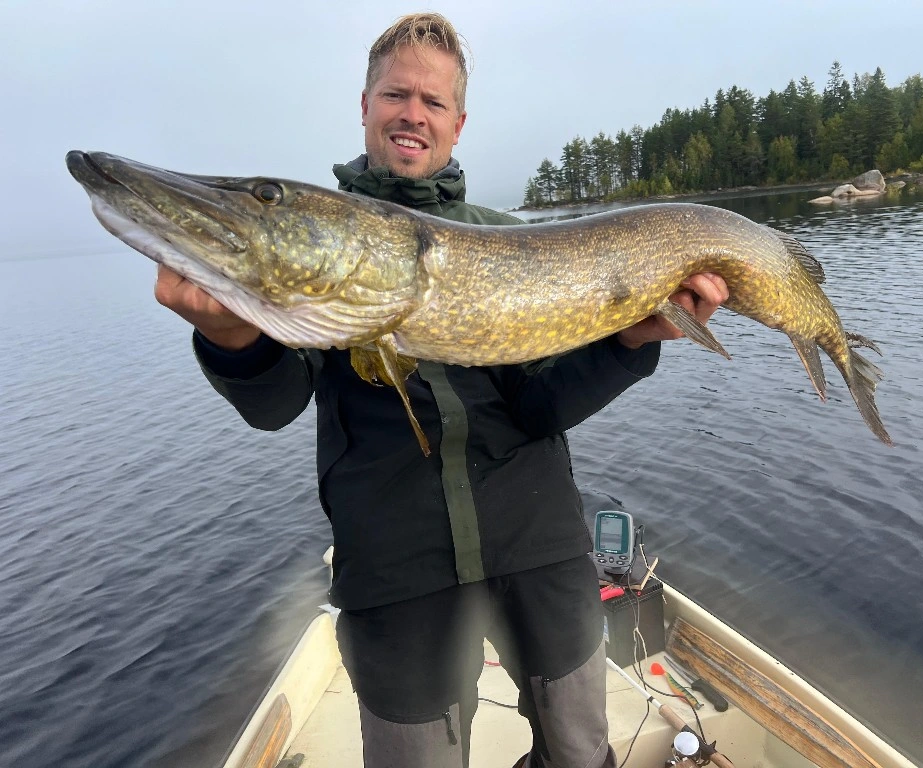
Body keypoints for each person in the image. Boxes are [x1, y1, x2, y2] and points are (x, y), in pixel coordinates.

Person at [155, 12, 728, 768]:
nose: (412, 114)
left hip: (540, 544)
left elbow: (541, 406)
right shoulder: (323, 246)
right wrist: (232, 338)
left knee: (580, 750)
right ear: (365, 106)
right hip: (396, 569)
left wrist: (628, 344)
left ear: (458, 124)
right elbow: (276, 404)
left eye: (432, 103)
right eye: (397, 95)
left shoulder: (505, 235)